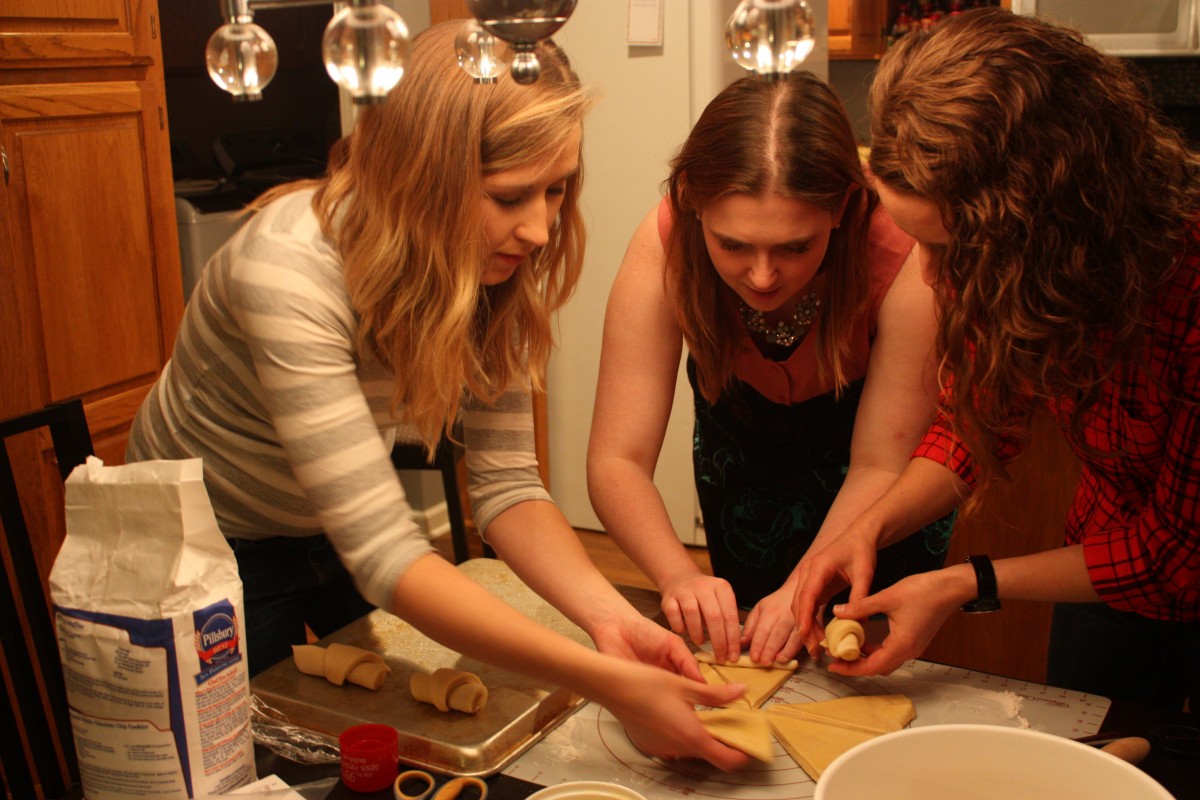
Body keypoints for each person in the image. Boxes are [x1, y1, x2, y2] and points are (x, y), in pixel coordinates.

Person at [127, 21, 750, 768]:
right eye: (510, 194)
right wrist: (608, 680)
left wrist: (611, 622)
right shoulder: (287, 271)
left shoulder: (490, 269)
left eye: (557, 190)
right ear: (417, 175)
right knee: (260, 762)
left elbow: (507, 485)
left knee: (367, 747)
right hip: (205, 542)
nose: (542, 228)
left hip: (324, 526)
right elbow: (389, 556)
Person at [791, 7, 1200, 711]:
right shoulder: (1008, 269)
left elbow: (1176, 559)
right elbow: (970, 422)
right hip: (1106, 576)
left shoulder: (1186, 288)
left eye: (950, 251)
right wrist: (867, 529)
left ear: (1050, 232)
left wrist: (962, 583)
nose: (926, 277)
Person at [587, 72, 954, 668]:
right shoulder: (666, 242)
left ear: (842, 208)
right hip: (746, 478)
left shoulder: (905, 256)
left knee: (863, 679)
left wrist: (804, 586)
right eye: (732, 246)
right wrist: (678, 575)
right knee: (756, 664)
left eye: (794, 247)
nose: (761, 277)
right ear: (691, 200)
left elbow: (880, 464)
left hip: (871, 501)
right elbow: (616, 460)